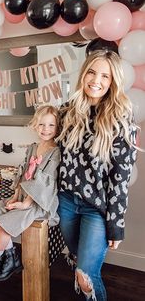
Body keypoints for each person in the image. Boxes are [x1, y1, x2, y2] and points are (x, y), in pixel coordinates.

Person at [57, 50, 138, 301]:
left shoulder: (121, 118)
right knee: (76, 260)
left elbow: (120, 177)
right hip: (66, 203)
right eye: (92, 72)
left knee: (86, 273)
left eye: (106, 75)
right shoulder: (66, 111)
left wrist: (116, 224)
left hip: (98, 209)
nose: (97, 80)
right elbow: (51, 155)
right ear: (83, 74)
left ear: (113, 81)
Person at [0, 105, 61, 287]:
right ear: (35, 125)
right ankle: (11, 257)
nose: (46, 129)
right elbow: (23, 173)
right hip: (23, 196)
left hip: (38, 201)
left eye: (51, 125)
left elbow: (45, 184)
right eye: (42, 124)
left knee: (4, 227)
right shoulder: (33, 148)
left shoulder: (55, 152)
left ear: (57, 127)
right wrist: (15, 196)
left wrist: (26, 203)